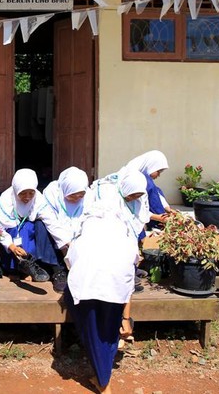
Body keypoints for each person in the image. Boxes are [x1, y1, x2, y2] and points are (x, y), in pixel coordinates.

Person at [64, 167, 145, 393]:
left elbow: (70, 263)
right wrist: (126, 319)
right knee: (109, 329)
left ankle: (102, 381)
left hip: (86, 290)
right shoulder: (127, 235)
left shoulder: (85, 227)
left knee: (91, 328)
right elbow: (129, 280)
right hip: (115, 289)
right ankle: (103, 379)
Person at [0, 168, 71, 284]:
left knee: (29, 228)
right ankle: (13, 269)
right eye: (23, 193)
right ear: (16, 190)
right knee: (14, 230)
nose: (27, 197)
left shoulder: (38, 200)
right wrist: (11, 246)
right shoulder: (5, 201)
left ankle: (28, 268)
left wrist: (66, 241)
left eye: (31, 192)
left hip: (26, 232)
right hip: (10, 234)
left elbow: (52, 222)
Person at [41, 166, 90, 292]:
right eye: (73, 196)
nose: (77, 199)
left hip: (79, 238)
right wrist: (66, 241)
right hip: (57, 235)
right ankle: (58, 270)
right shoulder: (51, 194)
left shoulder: (89, 197)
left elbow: (89, 218)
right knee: (40, 226)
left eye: (81, 195)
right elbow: (50, 221)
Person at [126, 150, 174, 233]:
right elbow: (137, 209)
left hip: (143, 215)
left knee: (157, 189)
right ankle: (158, 224)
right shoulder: (135, 179)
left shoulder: (144, 178)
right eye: (158, 171)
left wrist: (168, 209)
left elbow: (157, 194)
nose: (158, 175)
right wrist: (160, 218)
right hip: (131, 219)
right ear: (151, 166)